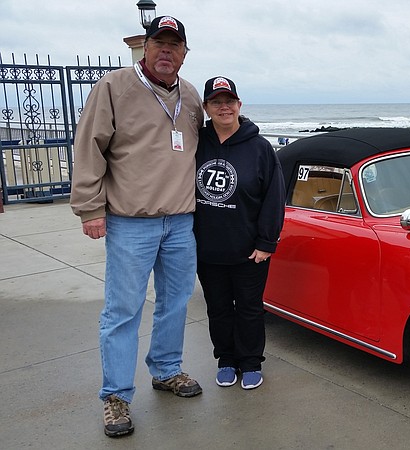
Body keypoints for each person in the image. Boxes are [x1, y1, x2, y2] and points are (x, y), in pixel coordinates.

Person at [69, 16, 204, 438]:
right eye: (159, 43)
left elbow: (213, 140)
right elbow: (89, 146)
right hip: (131, 223)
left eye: (174, 45)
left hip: (181, 221)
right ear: (145, 48)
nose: (166, 51)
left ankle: (166, 370)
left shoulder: (192, 95)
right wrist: (90, 208)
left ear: (185, 53)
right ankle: (116, 396)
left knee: (176, 302)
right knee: (122, 311)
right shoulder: (114, 87)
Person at [194, 76, 285, 391]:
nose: (224, 107)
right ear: (206, 107)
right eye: (216, 102)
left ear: (239, 105)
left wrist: (266, 241)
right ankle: (226, 360)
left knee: (249, 307)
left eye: (229, 101)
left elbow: (274, 195)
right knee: (217, 308)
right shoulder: (196, 142)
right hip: (206, 249)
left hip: (250, 251)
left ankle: (250, 362)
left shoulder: (259, 146)